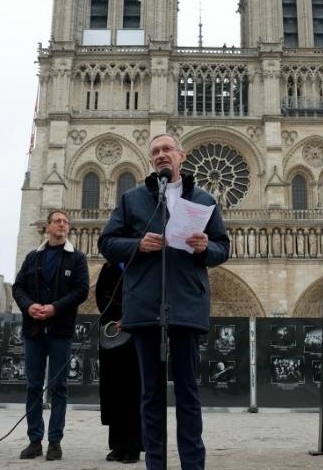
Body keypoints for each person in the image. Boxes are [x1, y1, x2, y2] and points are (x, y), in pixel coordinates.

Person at [98, 133, 230, 470]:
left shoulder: (204, 199)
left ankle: (193, 466)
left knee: (188, 394)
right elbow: (107, 242)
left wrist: (206, 248)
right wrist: (137, 244)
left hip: (186, 304)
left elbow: (222, 248)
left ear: (181, 156)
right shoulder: (132, 199)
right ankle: (155, 465)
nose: (161, 155)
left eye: (167, 149)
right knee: (150, 396)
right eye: (155, 151)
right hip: (144, 305)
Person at [12, 210, 89, 461]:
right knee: (33, 386)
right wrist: (28, 306)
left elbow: (81, 290)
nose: (63, 225)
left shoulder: (76, 258)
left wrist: (55, 307)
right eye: (58, 221)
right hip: (34, 329)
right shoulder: (33, 257)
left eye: (66, 222)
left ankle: (54, 441)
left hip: (60, 330)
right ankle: (35, 440)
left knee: (59, 387)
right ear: (47, 227)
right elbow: (18, 287)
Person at [95, 261, 142, 464]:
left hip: (139, 330)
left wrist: (130, 316)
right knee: (114, 389)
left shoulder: (145, 263)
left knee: (133, 390)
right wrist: (116, 318)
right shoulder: (109, 267)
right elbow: (100, 297)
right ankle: (117, 444)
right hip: (114, 331)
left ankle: (133, 446)